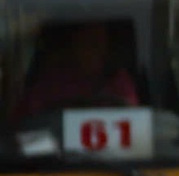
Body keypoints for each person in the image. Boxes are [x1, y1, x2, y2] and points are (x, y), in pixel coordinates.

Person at [12, 20, 141, 121]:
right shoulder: (50, 84)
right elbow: (22, 126)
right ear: (75, 45)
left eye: (101, 43)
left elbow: (134, 124)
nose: (97, 50)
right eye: (90, 43)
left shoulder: (120, 82)